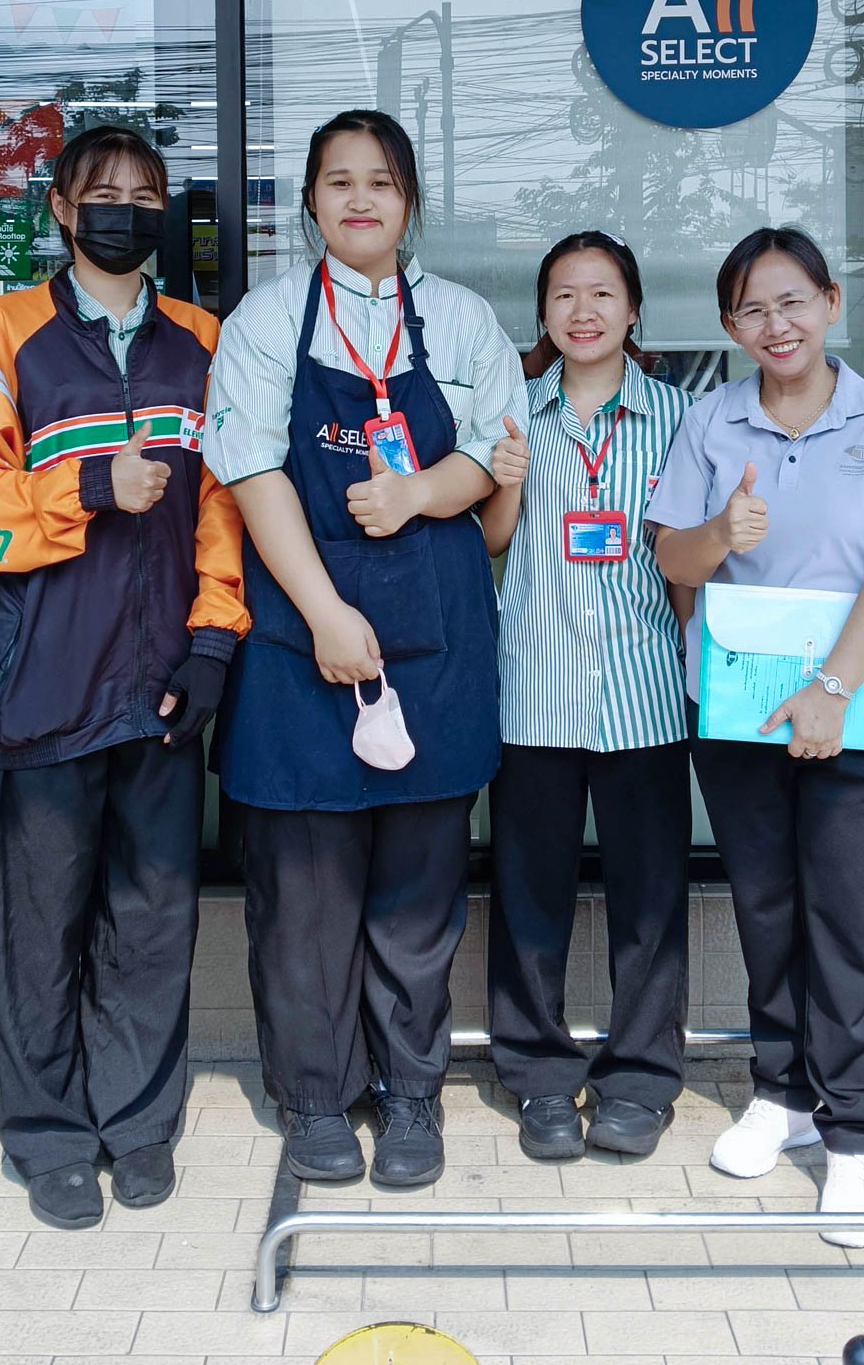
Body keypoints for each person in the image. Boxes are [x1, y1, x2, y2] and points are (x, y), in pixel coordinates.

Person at [0, 125, 249, 1230]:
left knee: (152, 921)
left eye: (144, 195)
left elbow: (224, 508)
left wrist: (213, 642)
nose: (124, 210)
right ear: (61, 209)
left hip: (160, 685)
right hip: (45, 683)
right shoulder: (4, 333)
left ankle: (139, 1124)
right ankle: (49, 1133)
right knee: (43, 927)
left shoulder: (201, 340)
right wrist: (88, 489)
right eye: (103, 193)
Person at [203, 109, 526, 1190]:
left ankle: (410, 1093)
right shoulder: (266, 320)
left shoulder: (462, 319)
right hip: (302, 644)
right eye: (338, 180)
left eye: (380, 181)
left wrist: (419, 491)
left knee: (418, 898)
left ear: (409, 200)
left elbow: (492, 448)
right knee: (305, 897)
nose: (359, 199)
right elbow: (253, 472)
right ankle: (314, 1099)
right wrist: (327, 613)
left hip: (436, 646)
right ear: (309, 201)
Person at [649, 226, 864, 1246]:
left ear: (830, 304)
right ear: (729, 326)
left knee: (855, 922)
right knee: (767, 909)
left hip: (863, 708)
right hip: (740, 712)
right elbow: (672, 562)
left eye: (790, 302)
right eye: (750, 310)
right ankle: (781, 1091)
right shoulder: (709, 421)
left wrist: (831, 687)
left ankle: (855, 1134)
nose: (774, 325)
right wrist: (717, 534)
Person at [480, 231, 692, 1164]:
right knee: (530, 896)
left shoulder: (681, 417)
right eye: (563, 294)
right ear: (542, 312)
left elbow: (690, 555)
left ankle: (640, 1080)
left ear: (633, 309)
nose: (582, 310)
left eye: (602, 292)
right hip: (535, 688)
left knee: (650, 899)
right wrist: (507, 485)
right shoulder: (514, 414)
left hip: (645, 690)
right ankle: (536, 1075)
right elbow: (490, 544)